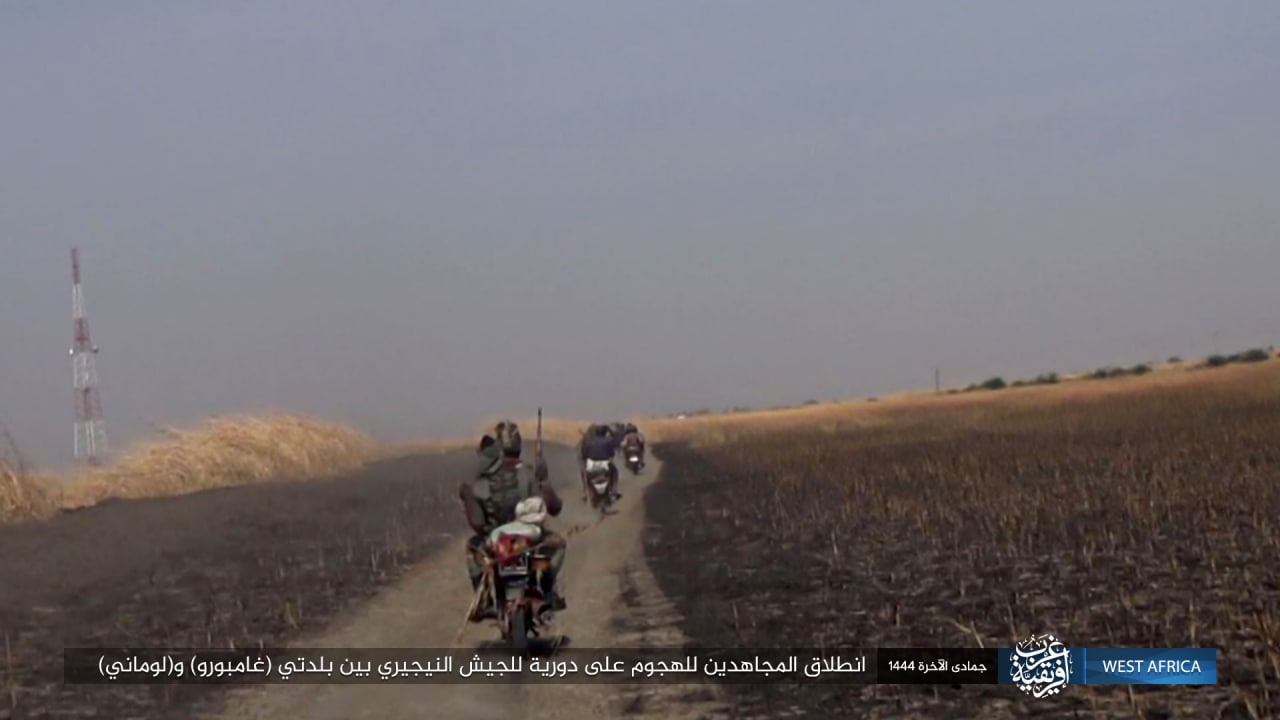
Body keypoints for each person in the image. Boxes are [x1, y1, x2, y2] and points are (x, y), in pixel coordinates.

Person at [459, 431, 566, 619]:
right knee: (559, 545)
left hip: (496, 540)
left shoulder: (481, 483)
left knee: (472, 547)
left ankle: (482, 599)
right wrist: (544, 480)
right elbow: (552, 507)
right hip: (528, 538)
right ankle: (547, 589)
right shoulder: (528, 473)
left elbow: (478, 523)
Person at [578, 423, 619, 502]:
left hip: (591, 465)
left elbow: (584, 455)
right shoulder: (607, 440)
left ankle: (585, 493)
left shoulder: (587, 441)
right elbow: (612, 454)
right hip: (604, 465)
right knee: (614, 472)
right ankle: (613, 491)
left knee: (584, 475)